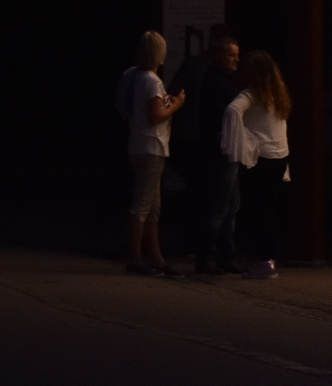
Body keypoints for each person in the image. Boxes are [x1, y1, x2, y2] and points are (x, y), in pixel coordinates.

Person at [116, 31, 186, 275]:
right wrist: (176, 104)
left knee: (153, 204)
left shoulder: (131, 75)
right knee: (143, 204)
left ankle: (156, 258)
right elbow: (155, 115)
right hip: (152, 146)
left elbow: (134, 109)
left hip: (137, 144)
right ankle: (135, 258)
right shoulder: (152, 80)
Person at [221, 50, 292, 280]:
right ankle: (270, 258)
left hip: (260, 159)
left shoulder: (251, 94)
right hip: (279, 157)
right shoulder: (278, 95)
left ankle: (264, 261)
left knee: (257, 211)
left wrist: (239, 140)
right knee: (269, 210)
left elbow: (232, 110)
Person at [181, 32, 241, 273]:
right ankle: (207, 257)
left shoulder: (229, 79)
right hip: (220, 151)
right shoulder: (214, 81)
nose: (236, 60)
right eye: (231, 55)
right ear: (217, 55)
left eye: (237, 55)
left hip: (230, 150)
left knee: (231, 206)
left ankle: (226, 256)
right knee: (218, 207)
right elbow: (216, 118)